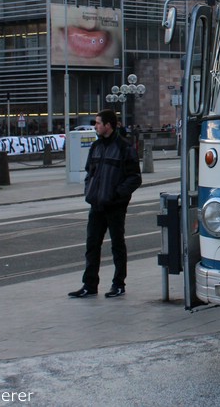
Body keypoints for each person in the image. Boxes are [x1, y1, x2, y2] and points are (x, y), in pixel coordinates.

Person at [68, 109, 142, 299]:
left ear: (108, 125)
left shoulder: (124, 148)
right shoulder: (96, 147)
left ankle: (118, 284)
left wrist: (117, 195)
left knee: (117, 245)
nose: (96, 126)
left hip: (114, 205)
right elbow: (89, 172)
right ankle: (89, 284)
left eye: (99, 123)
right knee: (92, 245)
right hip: (97, 204)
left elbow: (135, 178)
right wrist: (90, 191)